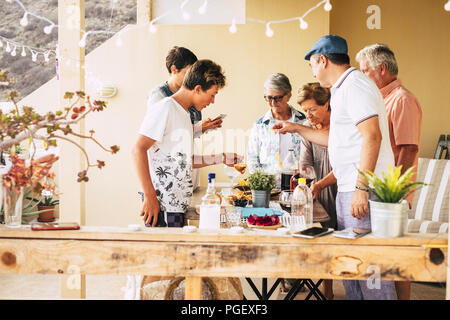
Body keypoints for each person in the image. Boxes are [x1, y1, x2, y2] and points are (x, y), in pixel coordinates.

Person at [273, 35, 396, 300]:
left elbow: (372, 136)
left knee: (370, 272)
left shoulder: (355, 86)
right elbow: (335, 140)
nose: (314, 72)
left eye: (313, 65)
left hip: (363, 189)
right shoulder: (342, 89)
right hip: (348, 188)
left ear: (323, 60)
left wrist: (362, 189)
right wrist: (295, 127)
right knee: (351, 270)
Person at [133, 59, 241, 228]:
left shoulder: (184, 114)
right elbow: (138, 149)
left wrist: (221, 157)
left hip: (177, 205)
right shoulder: (166, 108)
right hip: (162, 205)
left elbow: (185, 161)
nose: (212, 101)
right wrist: (150, 196)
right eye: (212, 94)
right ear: (198, 89)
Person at [356, 43, 423, 300]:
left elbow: (408, 149)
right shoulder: (380, 99)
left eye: (365, 70)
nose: (362, 77)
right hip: (381, 191)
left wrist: (393, 194)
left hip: (391, 195)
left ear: (381, 69)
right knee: (383, 256)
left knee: (396, 257)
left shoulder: (402, 99)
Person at [297, 82, 337, 300]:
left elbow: (347, 166)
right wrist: (304, 172)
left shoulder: (341, 125)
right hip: (319, 192)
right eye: (305, 110)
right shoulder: (307, 128)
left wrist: (319, 183)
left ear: (327, 104)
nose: (308, 116)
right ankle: (327, 292)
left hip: (343, 188)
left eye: (312, 109)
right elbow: (306, 163)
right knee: (326, 242)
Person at [147, 46, 223, 138]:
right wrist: (198, 128)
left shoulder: (192, 96)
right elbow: (162, 134)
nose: (193, 77)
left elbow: (186, 137)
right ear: (174, 69)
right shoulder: (160, 96)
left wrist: (204, 127)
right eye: (189, 72)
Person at [247, 73, 306, 175]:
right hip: (269, 188)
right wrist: (263, 184)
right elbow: (252, 159)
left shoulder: (304, 122)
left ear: (288, 95)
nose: (273, 103)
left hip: (298, 185)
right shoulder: (260, 125)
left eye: (278, 98)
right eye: (269, 98)